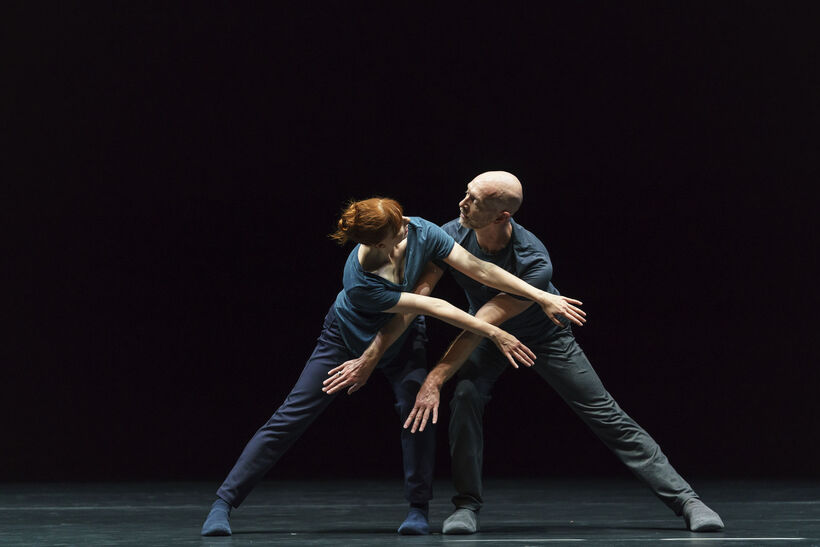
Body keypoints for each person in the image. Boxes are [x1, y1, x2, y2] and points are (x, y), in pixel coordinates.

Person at [338, 172, 724, 534]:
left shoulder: (533, 261)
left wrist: (434, 379)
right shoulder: (451, 234)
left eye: (473, 200)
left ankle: (687, 500)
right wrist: (374, 354)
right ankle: (466, 505)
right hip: (489, 337)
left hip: (544, 337)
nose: (462, 203)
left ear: (502, 214)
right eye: (466, 193)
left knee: (605, 413)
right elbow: (422, 297)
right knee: (467, 397)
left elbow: (487, 319)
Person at [201, 196, 585, 536]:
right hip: (345, 340)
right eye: (399, 228)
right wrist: (494, 333)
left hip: (403, 343)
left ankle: (417, 509)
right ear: (378, 242)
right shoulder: (361, 280)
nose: (408, 227)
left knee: (416, 411)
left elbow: (477, 268)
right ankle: (224, 503)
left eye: (403, 220)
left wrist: (538, 294)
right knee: (292, 415)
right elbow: (434, 306)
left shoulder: (418, 230)